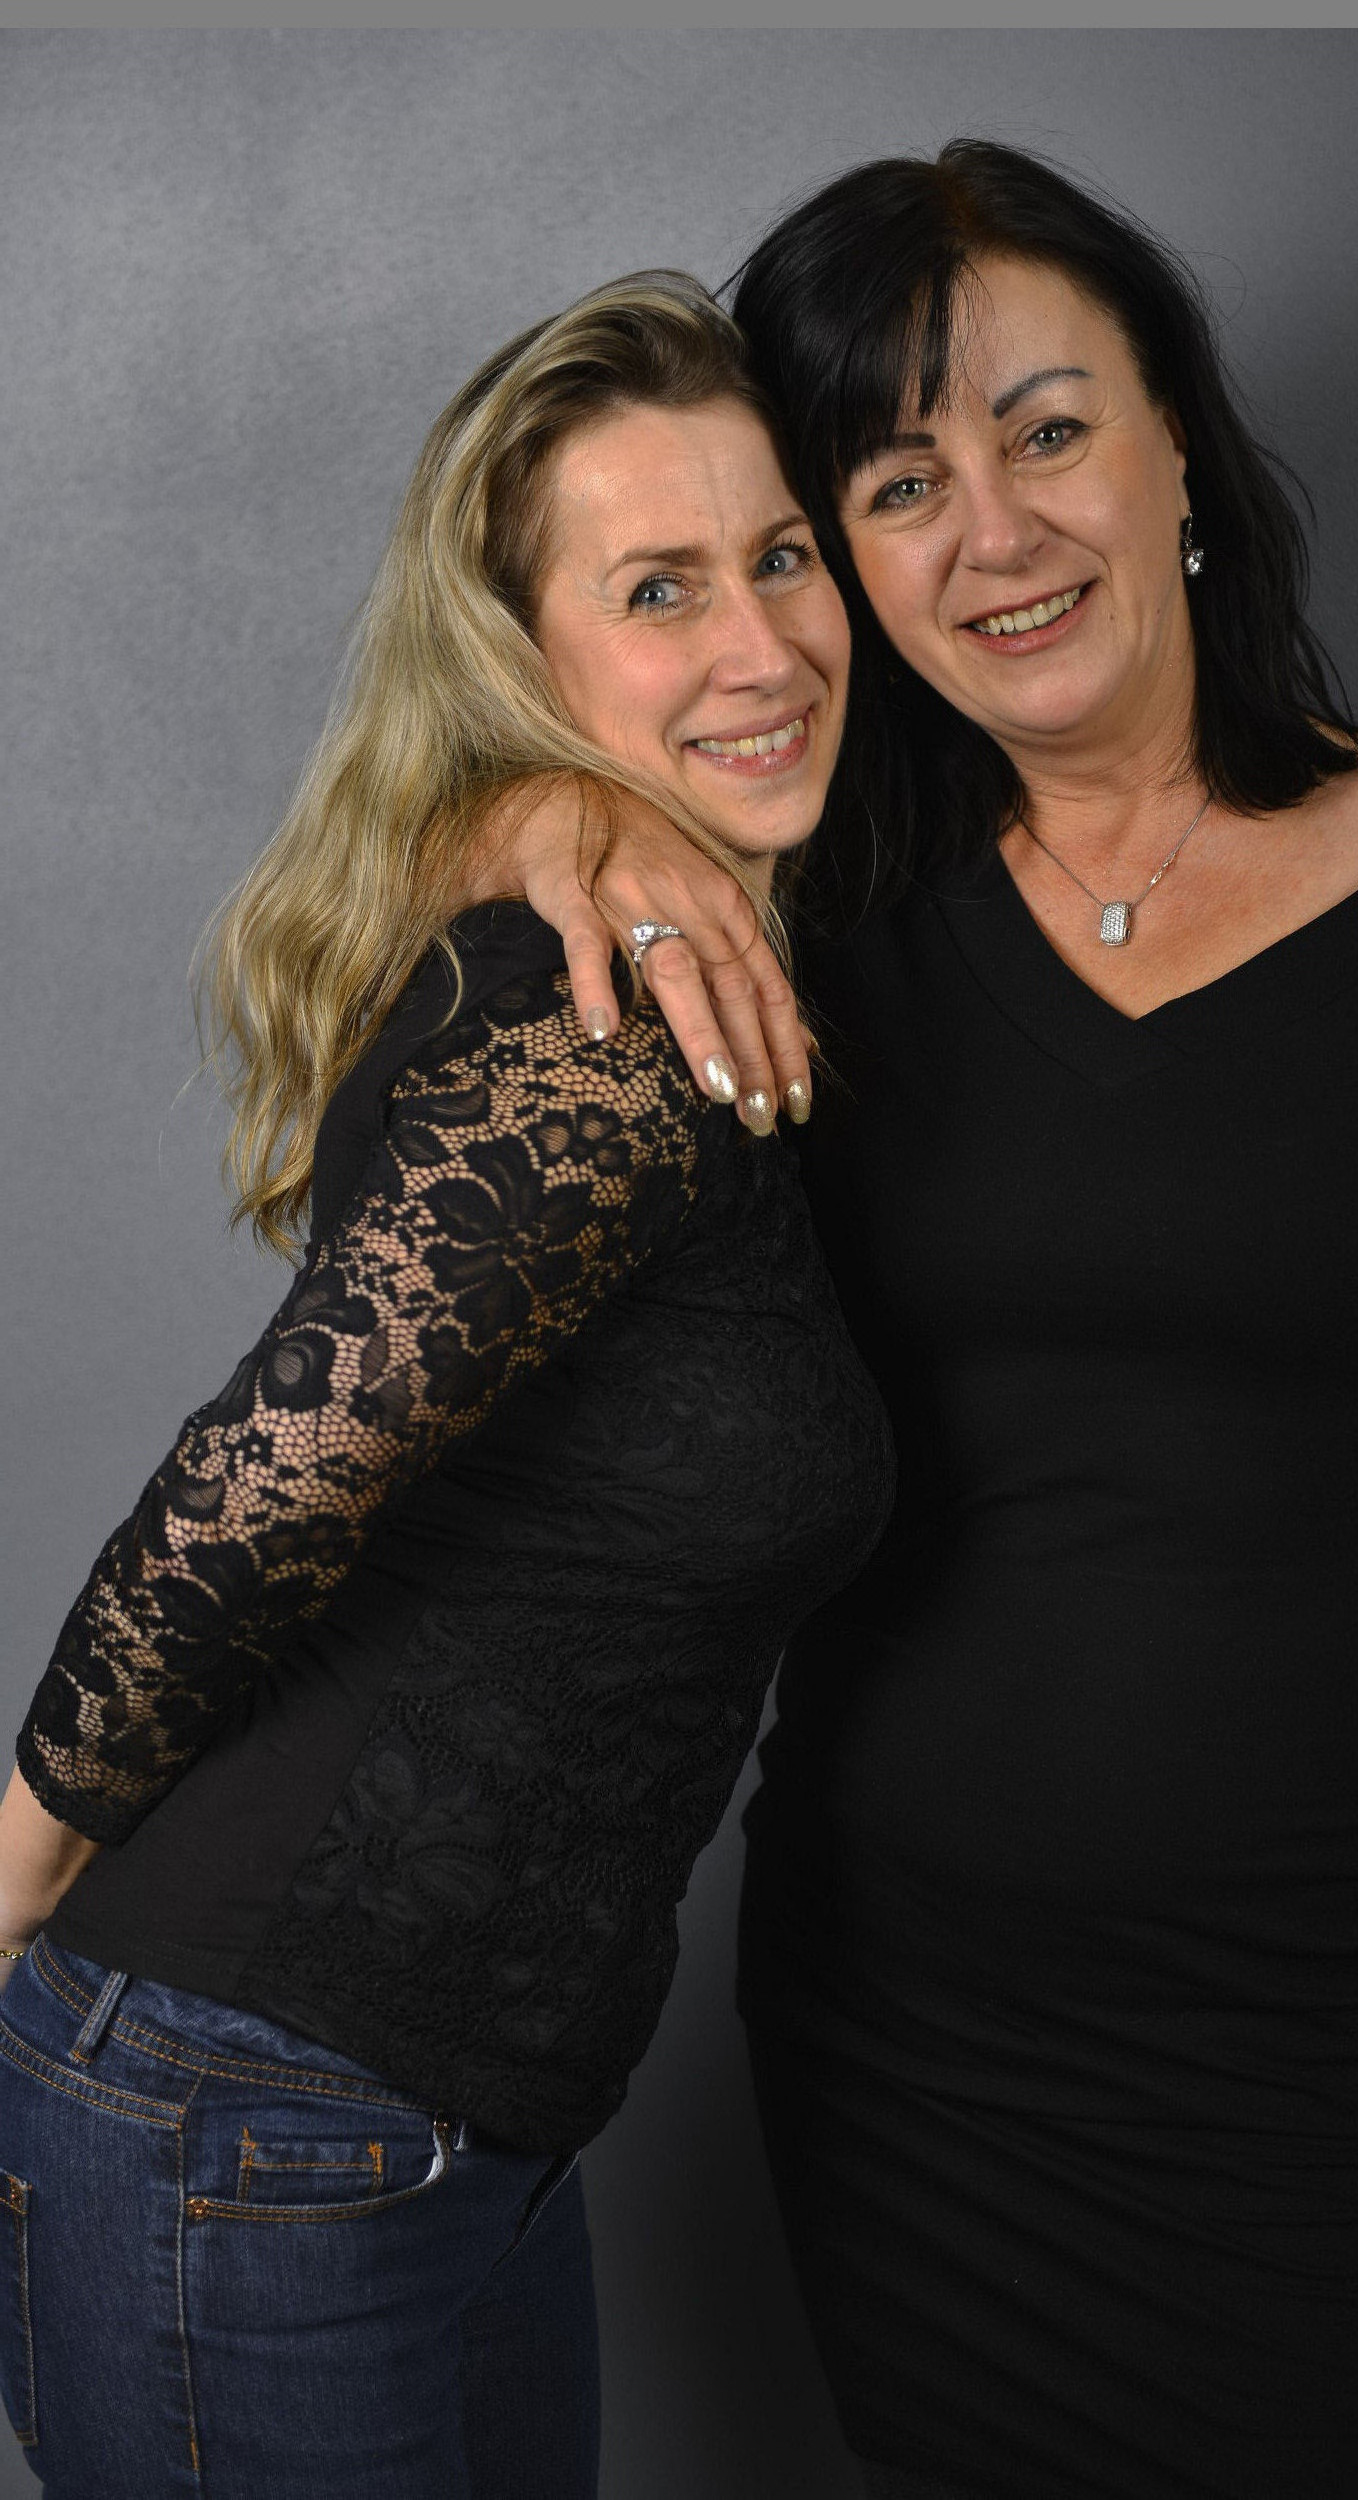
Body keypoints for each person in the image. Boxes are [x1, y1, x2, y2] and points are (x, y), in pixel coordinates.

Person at [490, 141, 1358, 2498]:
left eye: (1047, 431)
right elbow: (388, 892)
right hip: (904, 2035)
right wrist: (546, 822)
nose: (995, 535)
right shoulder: (803, 912)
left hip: (1302, 2016)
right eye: (896, 486)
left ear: (1178, 449)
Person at [0, 272, 896, 2498]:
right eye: (658, 588)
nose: (763, 645)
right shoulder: (590, 1027)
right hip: (246, 2112)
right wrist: (3, 1876)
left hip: (440, 2134)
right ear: (521, 660)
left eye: (783, 556)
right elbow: (267, 1476)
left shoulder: (694, 949)